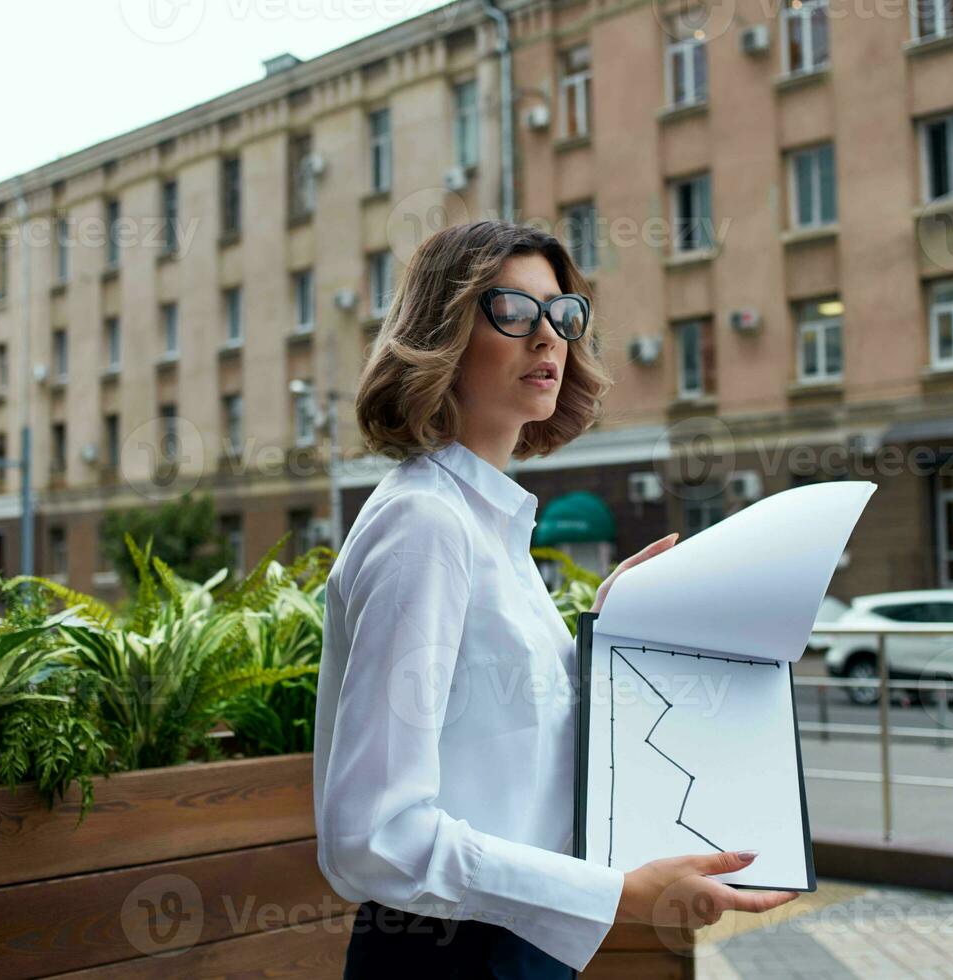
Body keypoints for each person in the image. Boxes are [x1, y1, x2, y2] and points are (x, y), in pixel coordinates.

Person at [313, 219, 798, 979]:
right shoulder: (425, 525)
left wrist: (608, 633)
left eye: (563, 313)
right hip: (445, 957)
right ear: (442, 330)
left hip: (505, 945)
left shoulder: (486, 524)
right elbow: (373, 836)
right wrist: (617, 892)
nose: (547, 336)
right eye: (512, 310)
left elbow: (508, 746)